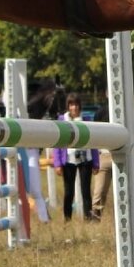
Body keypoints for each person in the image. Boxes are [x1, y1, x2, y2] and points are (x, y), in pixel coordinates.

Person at [52, 94, 98, 222]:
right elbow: (57, 143)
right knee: (69, 192)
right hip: (68, 160)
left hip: (85, 160)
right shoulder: (62, 120)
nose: (74, 107)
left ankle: (88, 218)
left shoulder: (87, 120)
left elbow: (93, 142)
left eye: (76, 105)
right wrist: (57, 163)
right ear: (68, 106)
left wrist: (96, 163)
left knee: (86, 191)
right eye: (72, 105)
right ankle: (67, 219)